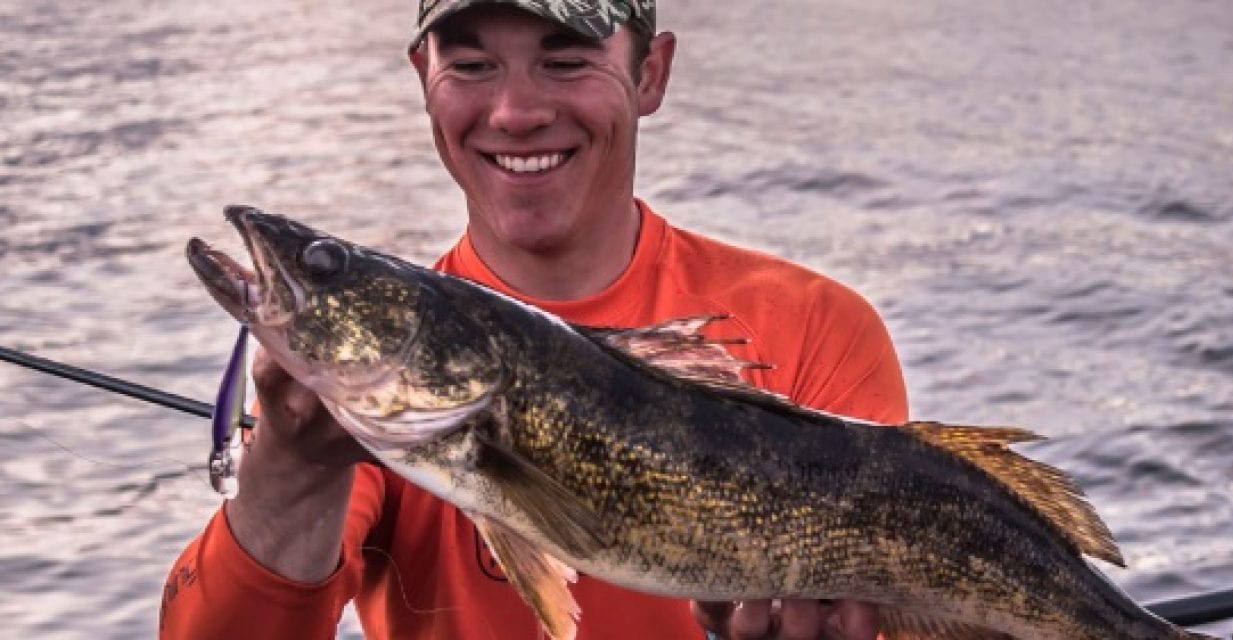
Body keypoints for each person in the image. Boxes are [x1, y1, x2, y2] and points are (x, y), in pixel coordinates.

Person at [160, 1, 909, 638]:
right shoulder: (345, 407)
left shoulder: (814, 327)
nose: (516, 112)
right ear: (424, 78)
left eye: (567, 61)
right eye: (471, 66)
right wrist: (289, 465)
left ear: (650, 73)